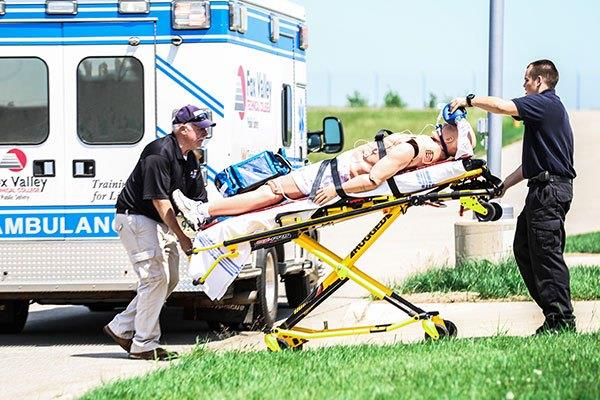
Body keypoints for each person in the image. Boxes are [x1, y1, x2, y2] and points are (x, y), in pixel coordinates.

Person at [450, 59, 577, 335]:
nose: (523, 85)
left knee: (546, 254)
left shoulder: (545, 104)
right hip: (542, 189)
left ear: (540, 82)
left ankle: (562, 320)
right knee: (524, 248)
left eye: (526, 80)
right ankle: (554, 316)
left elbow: (503, 106)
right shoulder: (544, 113)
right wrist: (505, 185)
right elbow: (534, 164)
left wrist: (467, 101)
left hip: (549, 192)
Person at [173, 119, 476, 228]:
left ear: (452, 141)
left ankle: (202, 211)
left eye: (452, 126)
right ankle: (207, 213)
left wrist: (337, 191)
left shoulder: (413, 148)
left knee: (271, 192)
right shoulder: (426, 152)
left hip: (334, 178)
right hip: (334, 176)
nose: (447, 122)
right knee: (270, 195)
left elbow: (374, 178)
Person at [103, 104, 215, 360]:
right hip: (137, 219)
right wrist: (184, 238)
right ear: (181, 129)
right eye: (199, 129)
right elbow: (160, 202)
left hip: (160, 222)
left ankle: (121, 326)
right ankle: (144, 343)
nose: (204, 134)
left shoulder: (190, 158)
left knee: (170, 279)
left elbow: (198, 200)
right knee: (155, 279)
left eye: (206, 129)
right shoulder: (158, 153)